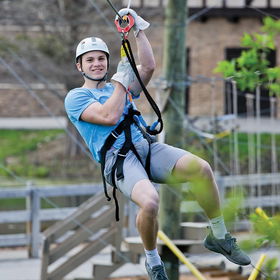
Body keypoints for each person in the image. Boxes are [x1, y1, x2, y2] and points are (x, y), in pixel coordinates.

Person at [64, 8, 251, 280]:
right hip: (119, 160)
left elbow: (149, 67)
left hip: (145, 146)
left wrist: (138, 31)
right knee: (150, 202)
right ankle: (153, 262)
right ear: (79, 66)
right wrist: (121, 80)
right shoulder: (76, 97)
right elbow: (109, 116)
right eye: (90, 60)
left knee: (202, 169)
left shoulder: (118, 84)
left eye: (102, 58)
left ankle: (219, 235)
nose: (97, 64)